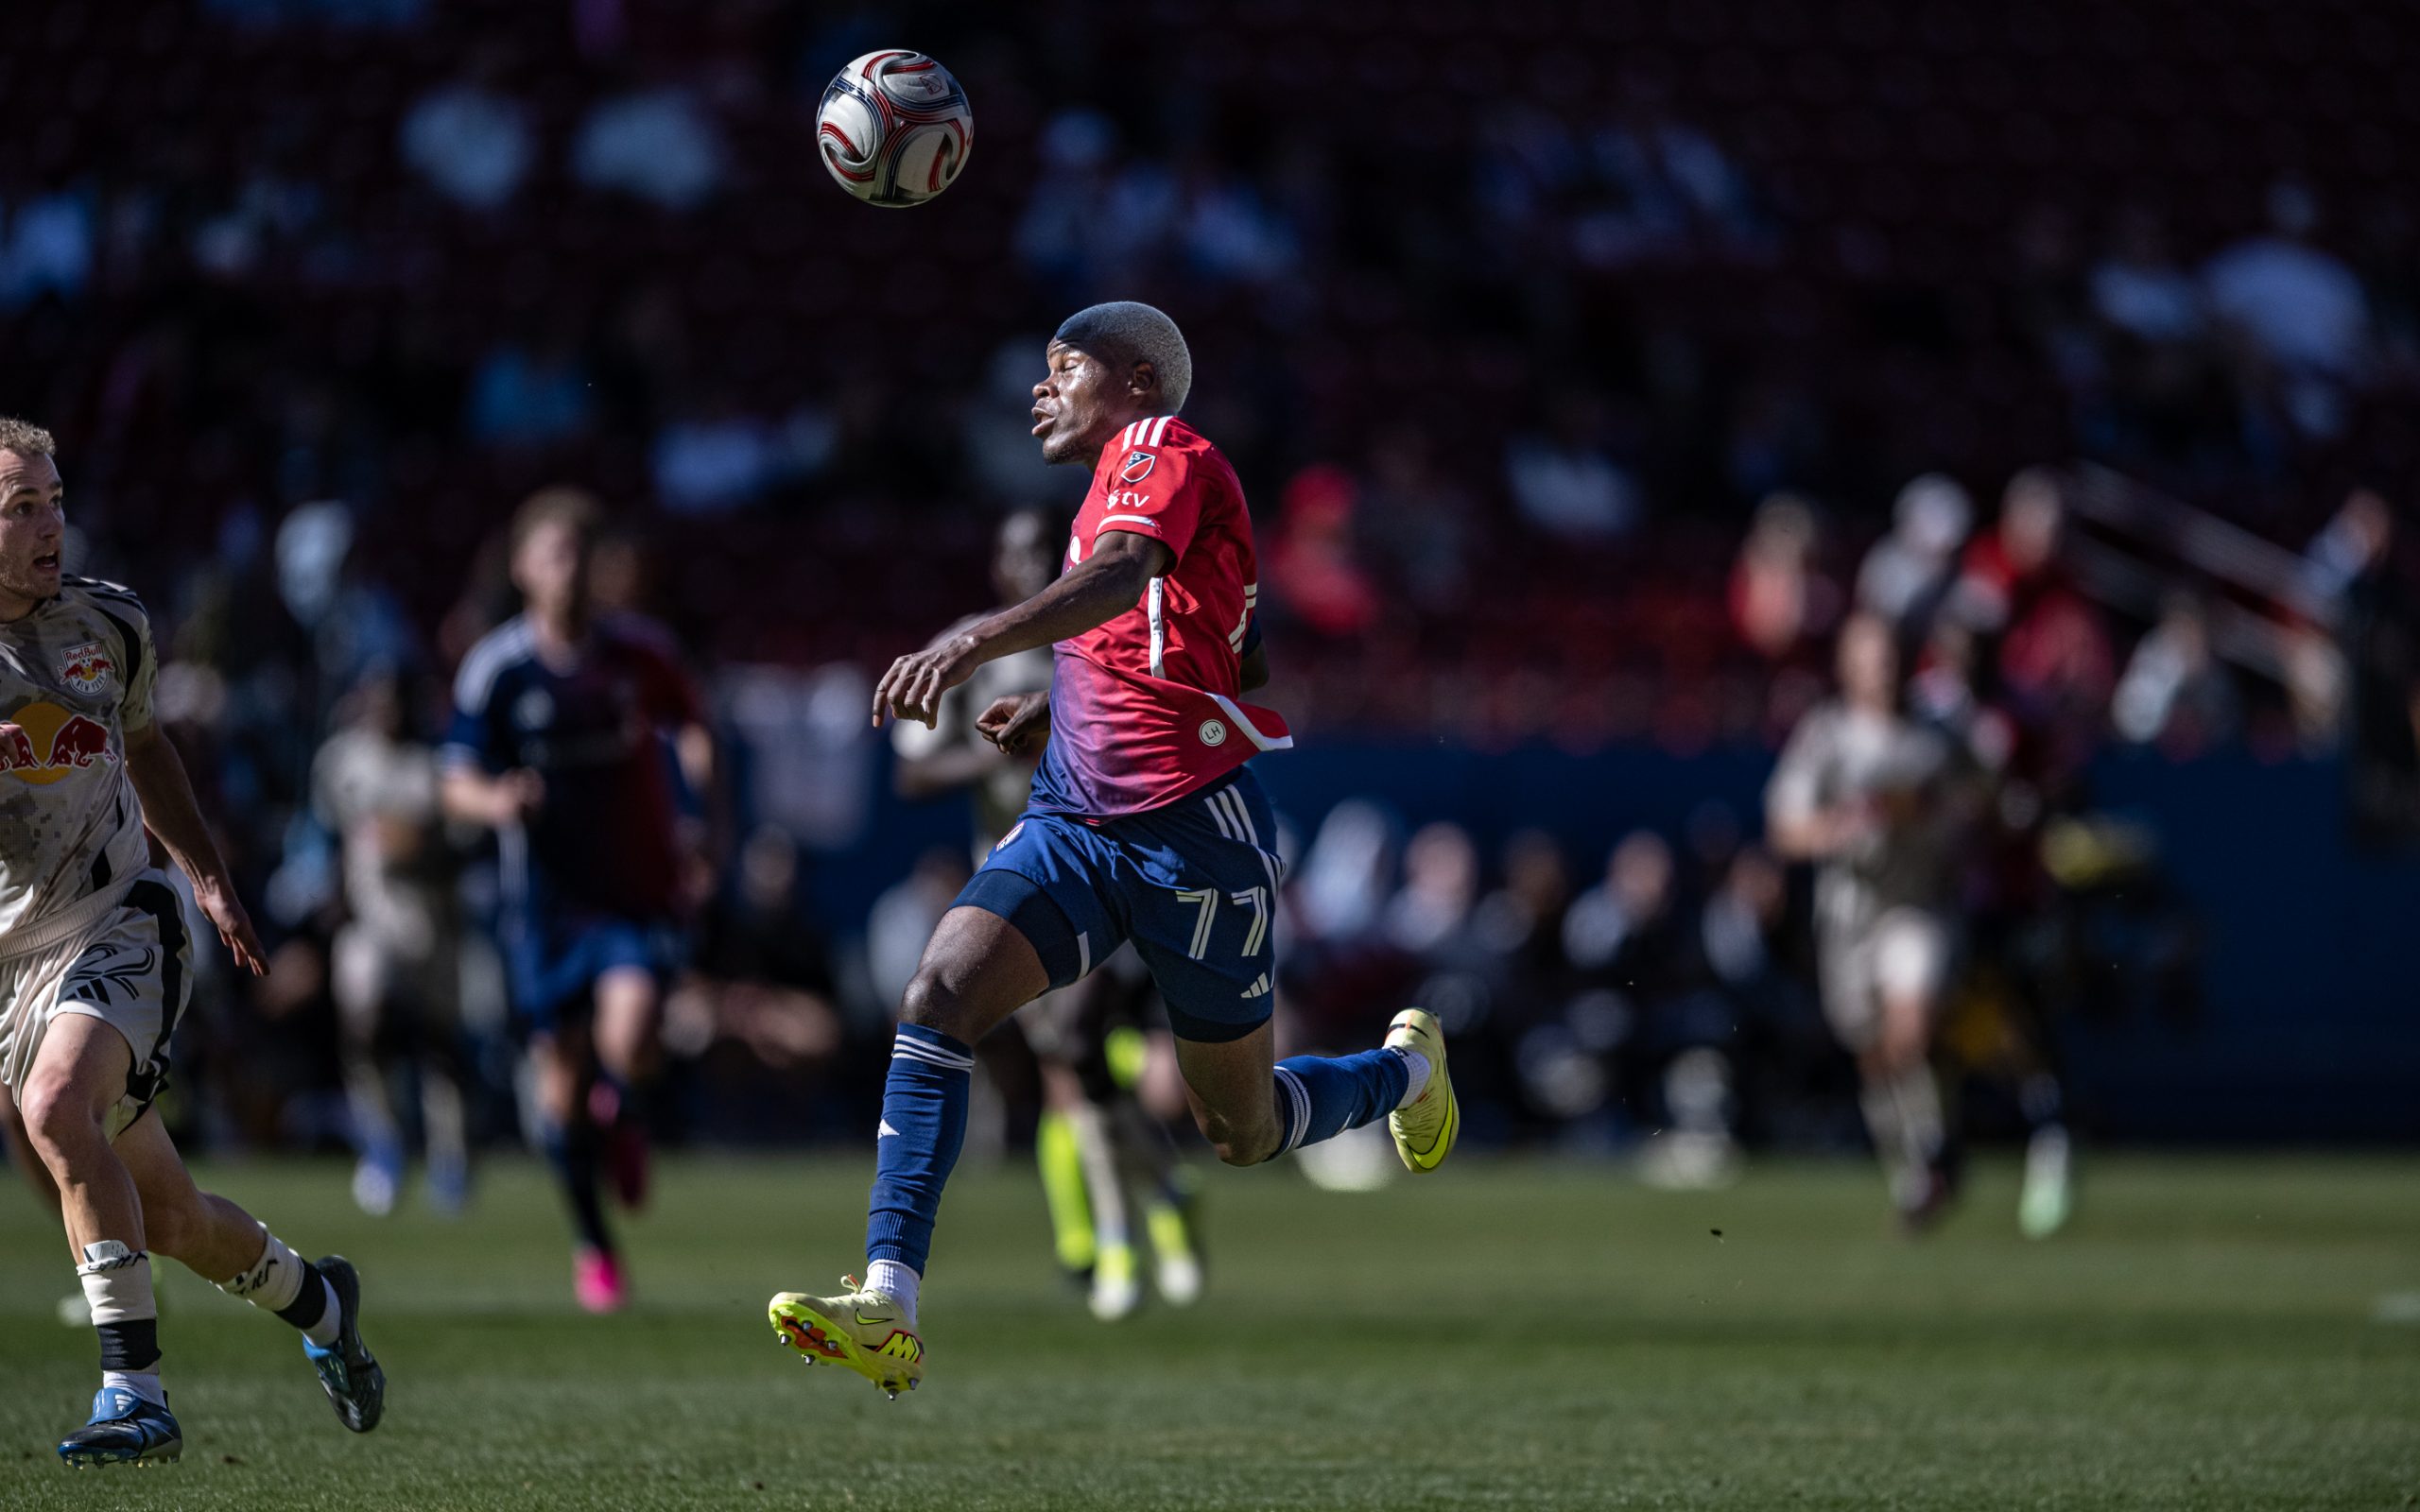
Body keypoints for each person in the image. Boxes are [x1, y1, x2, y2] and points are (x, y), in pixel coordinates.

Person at [766, 302, 1457, 1397]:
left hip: (1192, 835)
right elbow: (1229, 653)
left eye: (1064, 365)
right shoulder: (1117, 492)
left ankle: (1408, 1071)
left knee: (1242, 1128)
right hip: (1074, 824)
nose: (1041, 388)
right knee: (939, 993)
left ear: (1135, 379)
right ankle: (888, 1300)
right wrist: (1068, 707)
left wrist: (976, 641)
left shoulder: (1158, 448)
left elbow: (1129, 573)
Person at [0, 419, 383, 1466]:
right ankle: (323, 1304)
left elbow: (145, 745)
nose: (50, 525)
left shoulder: (109, 620)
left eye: (54, 500)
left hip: (122, 913)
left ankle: (135, 1396)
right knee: (169, 1219)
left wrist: (208, 879)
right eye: (22, 508)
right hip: (15, 965)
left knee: (53, 1106)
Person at [891, 507, 1203, 1321]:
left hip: (1107, 865)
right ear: (998, 566)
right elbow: (910, 774)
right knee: (1075, 1070)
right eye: (1018, 552)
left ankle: (1119, 1242)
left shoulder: (1105, 635)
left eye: (1046, 549)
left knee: (1079, 1049)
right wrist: (995, 750)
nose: (1034, 564)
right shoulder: (973, 646)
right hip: (1018, 877)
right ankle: (1156, 1201)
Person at [441, 487, 713, 1312]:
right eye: (555, 553)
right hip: (545, 906)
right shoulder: (499, 668)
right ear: (523, 567)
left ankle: (622, 1111)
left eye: (583, 554)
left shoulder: (637, 654)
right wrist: (498, 801)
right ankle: (595, 1245)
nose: (570, 568)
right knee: (557, 1096)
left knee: (631, 1034)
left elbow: (693, 723)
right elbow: (455, 777)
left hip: (630, 892)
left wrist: (701, 816)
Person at [1767, 612, 1977, 1231]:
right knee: (1872, 1048)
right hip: (1851, 911)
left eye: (1890, 657)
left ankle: (1934, 1148)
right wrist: (1844, 826)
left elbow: (1978, 802)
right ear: (1847, 666)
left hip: (1917, 903)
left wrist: (1928, 813)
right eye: (1870, 658)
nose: (1882, 671)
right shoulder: (1827, 737)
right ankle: (1914, 1165)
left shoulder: (1937, 735)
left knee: (1910, 1022)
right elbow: (1786, 827)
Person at [313, 666, 469, 1216]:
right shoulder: (341, 761)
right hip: (369, 920)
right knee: (366, 1021)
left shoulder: (436, 767)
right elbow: (330, 835)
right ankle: (382, 1142)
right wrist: (332, 894)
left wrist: (421, 847)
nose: (388, 710)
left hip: (430, 922)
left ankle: (450, 1158)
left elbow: (466, 848)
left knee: (439, 1046)